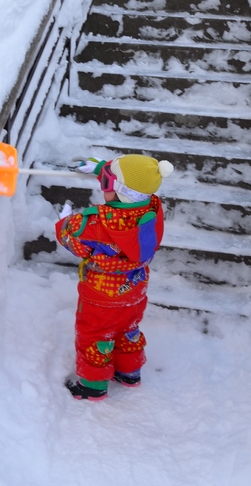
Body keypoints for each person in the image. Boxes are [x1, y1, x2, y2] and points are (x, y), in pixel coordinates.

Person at [55, 154, 174, 400]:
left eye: (107, 182)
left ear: (120, 190)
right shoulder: (153, 210)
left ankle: (92, 386)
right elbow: (133, 184)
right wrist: (101, 168)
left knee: (94, 335)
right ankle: (129, 372)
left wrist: (63, 223)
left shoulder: (95, 224)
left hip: (100, 296)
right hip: (134, 288)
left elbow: (72, 240)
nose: (103, 186)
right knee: (127, 327)